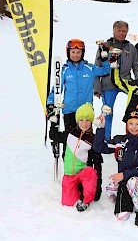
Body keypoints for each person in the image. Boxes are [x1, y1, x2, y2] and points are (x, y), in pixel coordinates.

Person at [46, 38, 110, 201]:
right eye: (73, 52)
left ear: (82, 53)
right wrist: (50, 104)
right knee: (70, 145)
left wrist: (104, 56)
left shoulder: (89, 67)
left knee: (86, 145)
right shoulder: (64, 70)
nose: (75, 55)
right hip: (68, 112)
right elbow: (56, 89)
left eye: (78, 52)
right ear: (69, 53)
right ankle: (71, 173)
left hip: (86, 115)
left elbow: (106, 70)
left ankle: (86, 177)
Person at [92, 104, 138, 228]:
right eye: (131, 123)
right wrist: (101, 128)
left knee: (133, 182)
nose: (134, 127)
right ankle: (126, 196)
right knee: (122, 216)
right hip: (124, 182)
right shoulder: (121, 141)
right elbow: (98, 147)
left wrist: (124, 175)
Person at [94, 20, 138, 140]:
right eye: (119, 30)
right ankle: (105, 138)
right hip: (108, 83)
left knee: (134, 109)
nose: (121, 33)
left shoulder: (131, 48)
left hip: (125, 81)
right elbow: (96, 67)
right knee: (107, 111)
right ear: (114, 31)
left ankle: (133, 136)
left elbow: (136, 66)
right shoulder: (104, 47)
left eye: (123, 31)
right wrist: (97, 88)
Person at [49, 103, 98, 212]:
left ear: (91, 121)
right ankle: (77, 191)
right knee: (67, 203)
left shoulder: (92, 139)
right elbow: (54, 136)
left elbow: (97, 160)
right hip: (69, 175)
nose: (84, 124)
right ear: (77, 121)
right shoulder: (70, 134)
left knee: (90, 173)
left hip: (83, 173)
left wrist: (97, 189)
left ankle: (86, 200)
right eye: (81, 120)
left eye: (87, 120)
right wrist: (54, 123)